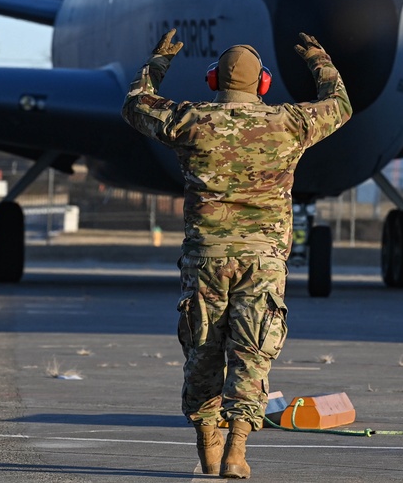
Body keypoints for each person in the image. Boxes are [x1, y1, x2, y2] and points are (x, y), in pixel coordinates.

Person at [122, 29, 352, 478]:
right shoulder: (289, 124)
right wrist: (319, 60)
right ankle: (236, 450)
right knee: (251, 351)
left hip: (205, 256)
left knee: (203, 349)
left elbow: (136, 105)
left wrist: (158, 63)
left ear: (213, 81)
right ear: (263, 83)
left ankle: (207, 440)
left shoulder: (192, 120)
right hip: (263, 259)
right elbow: (340, 104)